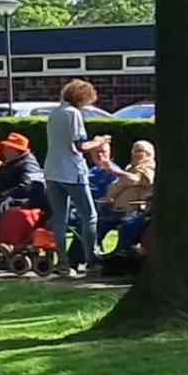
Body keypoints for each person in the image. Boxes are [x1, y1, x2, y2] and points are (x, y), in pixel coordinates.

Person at [44, 78, 111, 276]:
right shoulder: (73, 114)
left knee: (60, 218)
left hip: (52, 170)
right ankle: (92, 259)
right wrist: (99, 142)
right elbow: (80, 145)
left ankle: (62, 262)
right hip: (72, 171)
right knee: (90, 216)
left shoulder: (54, 113)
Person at [0, 132, 46, 242]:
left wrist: (0, 197)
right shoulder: (9, 164)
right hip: (5, 197)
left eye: (7, 148)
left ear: (15, 150)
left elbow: (26, 187)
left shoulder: (28, 164)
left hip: (19, 200)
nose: (4, 151)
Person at [97, 141, 157, 248]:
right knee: (94, 225)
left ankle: (119, 255)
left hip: (136, 210)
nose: (134, 153)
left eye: (138, 151)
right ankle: (81, 257)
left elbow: (134, 180)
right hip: (118, 210)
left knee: (127, 225)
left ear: (149, 153)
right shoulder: (131, 167)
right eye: (133, 150)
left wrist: (113, 170)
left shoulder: (149, 167)